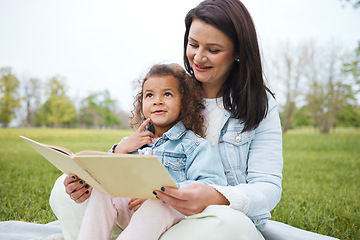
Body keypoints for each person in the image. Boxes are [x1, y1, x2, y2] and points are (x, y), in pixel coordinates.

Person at [50, 0, 338, 239]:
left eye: (213, 50)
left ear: (237, 52)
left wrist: (212, 196)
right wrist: (96, 175)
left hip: (207, 218)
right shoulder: (173, 93)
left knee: (228, 227)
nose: (198, 57)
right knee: (64, 187)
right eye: (193, 44)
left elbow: (268, 188)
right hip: (142, 209)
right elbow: (142, 147)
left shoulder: (259, 105)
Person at [76, 63, 227, 240]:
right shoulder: (131, 143)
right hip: (133, 210)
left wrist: (165, 194)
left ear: (184, 104)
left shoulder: (193, 145)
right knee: (103, 193)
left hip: (171, 215)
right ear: (142, 104)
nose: (157, 101)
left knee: (157, 204)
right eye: (149, 95)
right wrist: (121, 149)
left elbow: (213, 184)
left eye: (167, 94)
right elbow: (107, 177)